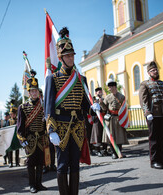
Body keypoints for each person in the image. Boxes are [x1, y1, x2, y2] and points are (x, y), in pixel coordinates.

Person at [44, 27, 93, 195]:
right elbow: (48, 106)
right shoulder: (53, 78)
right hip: (61, 128)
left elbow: (86, 106)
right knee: (63, 164)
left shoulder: (81, 78)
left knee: (75, 164)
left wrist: (95, 108)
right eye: (67, 55)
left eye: (72, 55)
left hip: (78, 127)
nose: (71, 58)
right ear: (60, 58)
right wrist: (51, 130)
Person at [139, 61, 163, 169]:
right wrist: (147, 112)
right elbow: (143, 100)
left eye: (156, 70)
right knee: (154, 139)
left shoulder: (162, 83)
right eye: (152, 70)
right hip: (153, 115)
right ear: (149, 73)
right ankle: (154, 161)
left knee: (162, 139)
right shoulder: (145, 84)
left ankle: (162, 160)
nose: (155, 71)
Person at [17, 75, 48, 193]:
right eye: (32, 91)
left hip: (41, 138)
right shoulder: (23, 107)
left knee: (40, 162)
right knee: (31, 163)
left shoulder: (43, 105)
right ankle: (32, 185)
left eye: (36, 91)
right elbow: (19, 127)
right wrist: (22, 139)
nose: (34, 93)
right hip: (29, 139)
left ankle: (39, 183)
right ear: (29, 93)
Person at [99, 79, 129, 159]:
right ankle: (113, 153)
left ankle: (119, 152)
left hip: (119, 118)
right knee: (111, 137)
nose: (109, 89)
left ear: (114, 87)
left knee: (119, 136)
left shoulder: (121, 97)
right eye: (108, 87)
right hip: (111, 118)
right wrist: (101, 103)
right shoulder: (108, 97)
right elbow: (104, 109)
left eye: (110, 87)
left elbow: (124, 108)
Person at [90, 87, 106, 157]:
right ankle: (97, 150)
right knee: (97, 135)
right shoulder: (93, 100)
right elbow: (91, 111)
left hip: (104, 119)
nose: (100, 93)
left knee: (104, 135)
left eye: (100, 92)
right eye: (98, 92)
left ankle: (104, 150)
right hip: (97, 120)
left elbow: (105, 108)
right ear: (96, 93)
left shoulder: (103, 100)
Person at [8, 101, 20, 167]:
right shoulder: (9, 121)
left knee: (17, 150)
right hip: (10, 137)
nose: (11, 115)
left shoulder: (18, 120)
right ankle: (10, 162)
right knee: (10, 151)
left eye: (12, 114)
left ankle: (17, 162)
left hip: (16, 137)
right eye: (10, 114)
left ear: (15, 114)